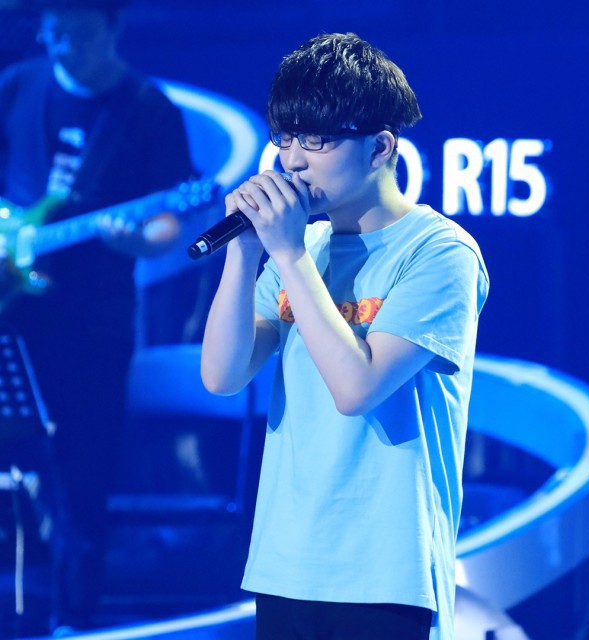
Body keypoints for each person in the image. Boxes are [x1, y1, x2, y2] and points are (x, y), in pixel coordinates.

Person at [200, 32, 490, 640]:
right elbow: (222, 376)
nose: (293, 161)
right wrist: (245, 252)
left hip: (386, 570)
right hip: (286, 562)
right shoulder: (300, 247)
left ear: (380, 147)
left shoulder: (440, 252)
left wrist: (287, 252)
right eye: (284, 139)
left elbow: (357, 388)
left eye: (317, 140)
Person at [0, 0, 196, 631]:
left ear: (114, 28)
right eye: (53, 34)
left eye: (80, 36)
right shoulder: (18, 86)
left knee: (82, 475)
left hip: (92, 324)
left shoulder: (148, 110)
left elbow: (169, 219)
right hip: (12, 312)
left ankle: (73, 619)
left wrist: (136, 242)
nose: (64, 48)